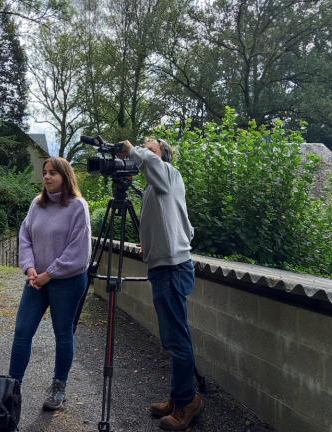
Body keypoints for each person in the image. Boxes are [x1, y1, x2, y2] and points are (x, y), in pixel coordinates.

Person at [120, 138, 203, 431]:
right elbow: (181, 225)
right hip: (162, 267)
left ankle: (188, 402)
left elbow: (152, 163)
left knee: (178, 341)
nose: (145, 153)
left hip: (173, 268)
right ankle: (177, 397)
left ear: (164, 156)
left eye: (151, 149)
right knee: (171, 339)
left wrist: (133, 150)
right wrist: (150, 245)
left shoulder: (170, 174)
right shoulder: (153, 190)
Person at [9, 156, 92, 411]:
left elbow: (79, 251)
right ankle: (12, 387)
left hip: (67, 282)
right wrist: (30, 267)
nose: (46, 177)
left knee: (63, 333)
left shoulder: (78, 207)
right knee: (22, 332)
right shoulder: (37, 204)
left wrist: (50, 273)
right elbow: (25, 236)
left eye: (53, 173)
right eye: (45, 172)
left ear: (65, 177)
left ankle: (59, 386)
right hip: (36, 280)